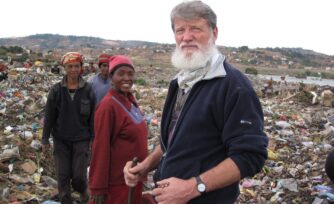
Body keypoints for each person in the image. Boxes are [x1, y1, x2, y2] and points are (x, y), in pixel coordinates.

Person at [123, 1, 268, 203]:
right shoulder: (181, 81)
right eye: (180, 30)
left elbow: (250, 155)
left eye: (196, 29)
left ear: (214, 32)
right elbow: (172, 140)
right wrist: (147, 165)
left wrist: (192, 187)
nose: (186, 37)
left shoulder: (233, 87)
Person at [89, 55, 148, 204]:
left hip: (133, 180)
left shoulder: (129, 100)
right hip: (117, 184)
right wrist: (98, 187)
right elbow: (100, 147)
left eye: (130, 74)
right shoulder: (108, 106)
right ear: (111, 77)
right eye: (121, 73)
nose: (126, 78)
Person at [42, 52, 95, 204]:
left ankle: (84, 194)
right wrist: (45, 139)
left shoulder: (88, 90)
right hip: (61, 140)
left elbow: (93, 117)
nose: (73, 70)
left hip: (81, 139)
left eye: (76, 66)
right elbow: (49, 116)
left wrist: (93, 138)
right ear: (64, 68)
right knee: (63, 176)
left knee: (79, 176)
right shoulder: (56, 90)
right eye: (70, 66)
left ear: (81, 68)